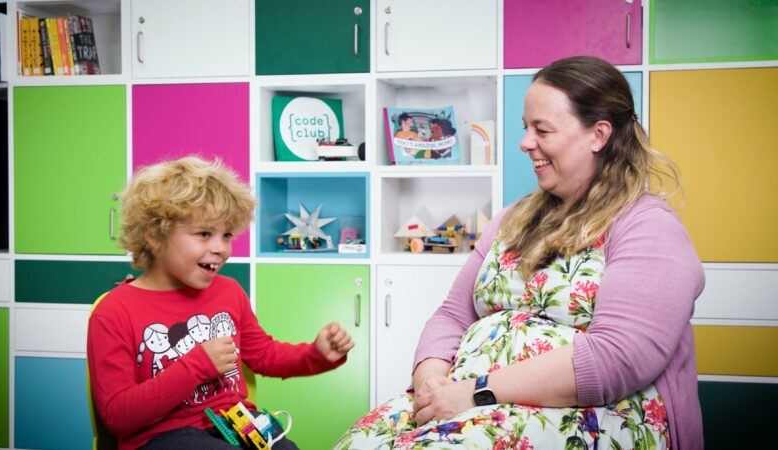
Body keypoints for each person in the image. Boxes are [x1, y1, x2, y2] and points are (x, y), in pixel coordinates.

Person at [335, 56, 704, 449]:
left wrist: (474, 393)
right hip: (466, 400)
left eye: (541, 129)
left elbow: (618, 357)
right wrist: (431, 385)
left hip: (581, 413)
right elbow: (453, 315)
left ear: (598, 135)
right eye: (526, 128)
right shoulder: (513, 217)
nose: (525, 142)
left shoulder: (647, 225)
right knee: (358, 442)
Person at [87, 156, 355, 450]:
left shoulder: (229, 292)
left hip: (237, 424)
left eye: (226, 235)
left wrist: (317, 354)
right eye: (204, 234)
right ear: (154, 234)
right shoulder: (114, 311)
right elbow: (118, 416)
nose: (220, 249)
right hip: (162, 437)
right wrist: (197, 367)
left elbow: (265, 355)